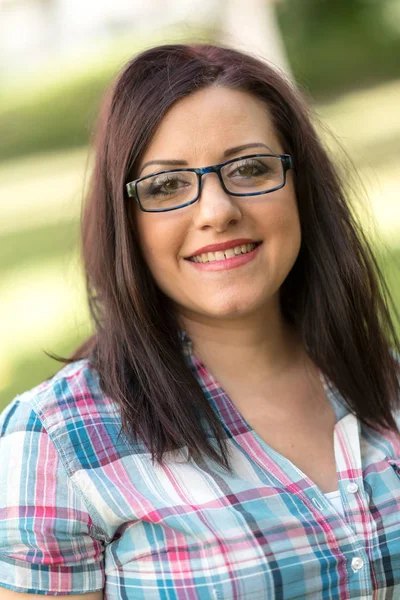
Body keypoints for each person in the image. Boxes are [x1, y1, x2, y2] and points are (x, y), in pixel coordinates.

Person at [0, 43, 399, 600]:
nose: (217, 211)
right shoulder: (60, 439)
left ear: (301, 188)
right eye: (167, 185)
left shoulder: (388, 383)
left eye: (251, 168)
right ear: (126, 222)